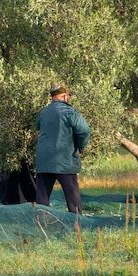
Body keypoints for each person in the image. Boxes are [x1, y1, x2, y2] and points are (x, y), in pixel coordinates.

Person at [35, 83, 90, 214]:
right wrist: (80, 148)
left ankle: (42, 225)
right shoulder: (69, 112)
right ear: (65, 96)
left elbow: (38, 126)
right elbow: (84, 131)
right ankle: (77, 225)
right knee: (72, 198)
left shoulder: (43, 113)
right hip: (64, 160)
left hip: (44, 161)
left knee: (42, 199)